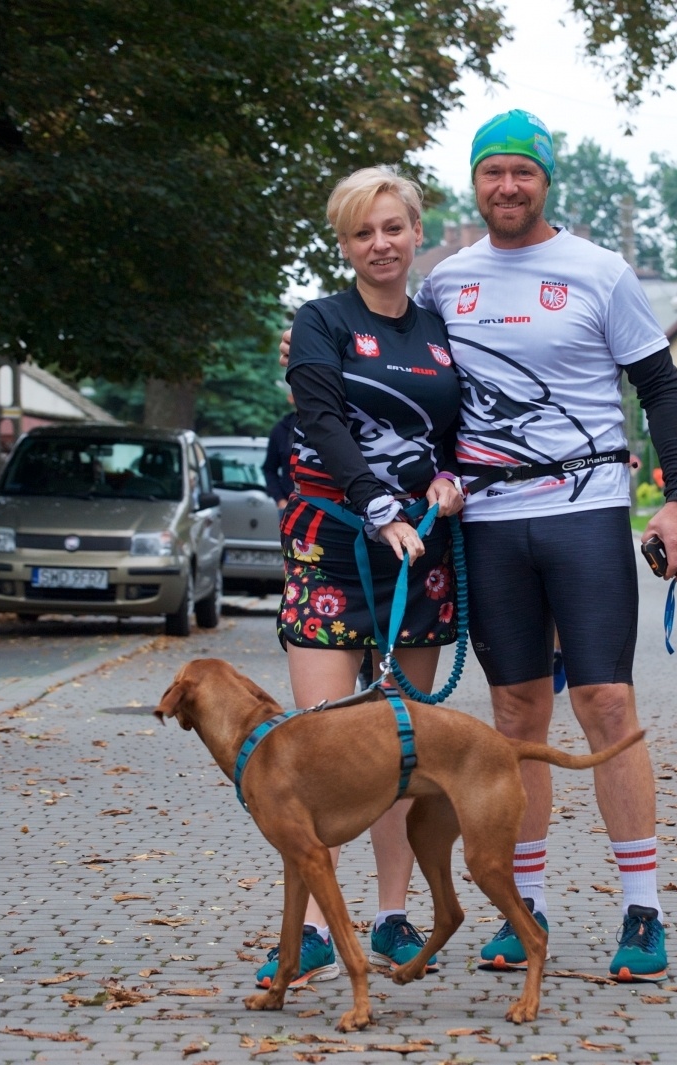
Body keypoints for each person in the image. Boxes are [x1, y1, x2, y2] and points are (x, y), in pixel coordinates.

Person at [417, 109, 677, 982]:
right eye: (492, 172)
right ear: (475, 183)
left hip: (585, 510)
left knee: (608, 704)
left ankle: (642, 907)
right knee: (514, 720)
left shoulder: (598, 271)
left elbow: (659, 385)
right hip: (492, 524)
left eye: (523, 173)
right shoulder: (445, 281)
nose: (507, 187)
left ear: (547, 182)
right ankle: (523, 908)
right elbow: (413, 386)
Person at [263, 165, 466, 989]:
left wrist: (452, 484)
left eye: (392, 228)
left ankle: (391, 913)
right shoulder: (321, 321)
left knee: (398, 746)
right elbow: (322, 419)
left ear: (418, 232)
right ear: (344, 244)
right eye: (361, 232)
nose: (379, 244)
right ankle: (316, 925)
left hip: (417, 553)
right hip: (331, 543)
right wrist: (377, 499)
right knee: (320, 742)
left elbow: (462, 432)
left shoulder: (442, 330)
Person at [262, 395, 297, 509]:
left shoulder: (325, 427)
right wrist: (280, 500)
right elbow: (269, 469)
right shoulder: (280, 430)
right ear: (290, 398)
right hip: (289, 505)